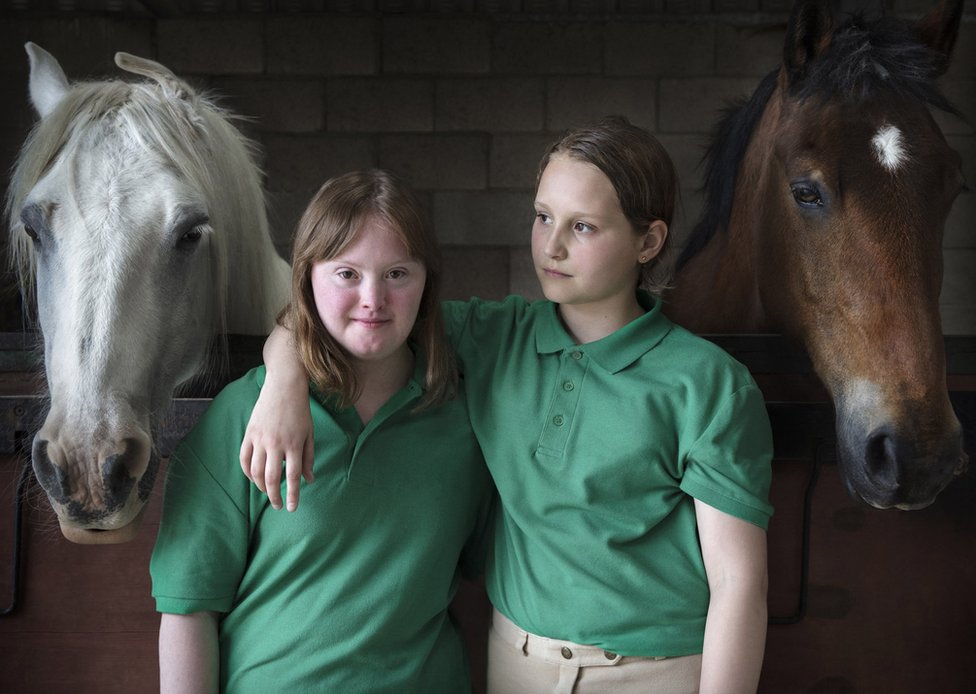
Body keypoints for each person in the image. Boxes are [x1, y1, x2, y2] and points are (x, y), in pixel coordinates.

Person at [243, 116, 773, 694]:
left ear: (648, 241)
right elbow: (337, 311)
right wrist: (282, 386)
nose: (553, 245)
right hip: (516, 664)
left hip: (656, 673)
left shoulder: (709, 384)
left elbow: (739, 584)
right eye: (543, 216)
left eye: (585, 227)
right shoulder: (493, 337)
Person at [150, 170, 494, 693]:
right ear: (308, 277)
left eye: (397, 273)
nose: (373, 299)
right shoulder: (245, 412)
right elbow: (188, 610)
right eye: (347, 274)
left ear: (427, 282)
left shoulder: (466, 417)